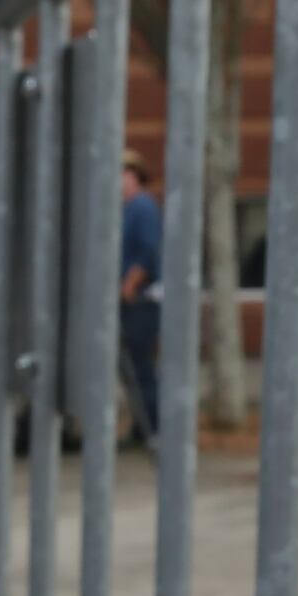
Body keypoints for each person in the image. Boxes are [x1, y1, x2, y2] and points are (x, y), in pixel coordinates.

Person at [120, 152, 166, 445]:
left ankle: (153, 428)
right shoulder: (125, 208)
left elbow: (148, 252)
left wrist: (128, 285)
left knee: (141, 368)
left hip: (140, 301)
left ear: (134, 175)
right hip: (131, 301)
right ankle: (142, 426)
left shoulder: (142, 207)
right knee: (132, 369)